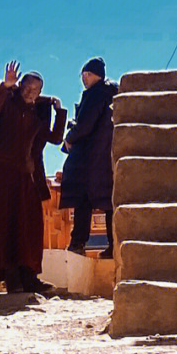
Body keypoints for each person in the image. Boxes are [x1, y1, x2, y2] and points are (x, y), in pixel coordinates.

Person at [0, 61, 66, 293]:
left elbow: (54, 138)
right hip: (1, 174)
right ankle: (12, 278)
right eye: (28, 88)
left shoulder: (36, 114)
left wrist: (59, 111)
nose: (32, 93)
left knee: (30, 226)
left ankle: (30, 276)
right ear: (20, 86)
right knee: (7, 225)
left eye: (37, 90)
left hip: (26, 174)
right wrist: (6, 85)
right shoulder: (7, 103)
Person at [58, 57, 118, 257]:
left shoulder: (95, 94)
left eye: (88, 74)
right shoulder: (112, 93)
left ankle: (77, 244)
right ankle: (114, 245)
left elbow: (85, 125)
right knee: (110, 200)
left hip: (89, 159)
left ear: (98, 75)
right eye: (83, 75)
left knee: (83, 199)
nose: (84, 79)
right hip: (108, 156)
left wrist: (70, 137)